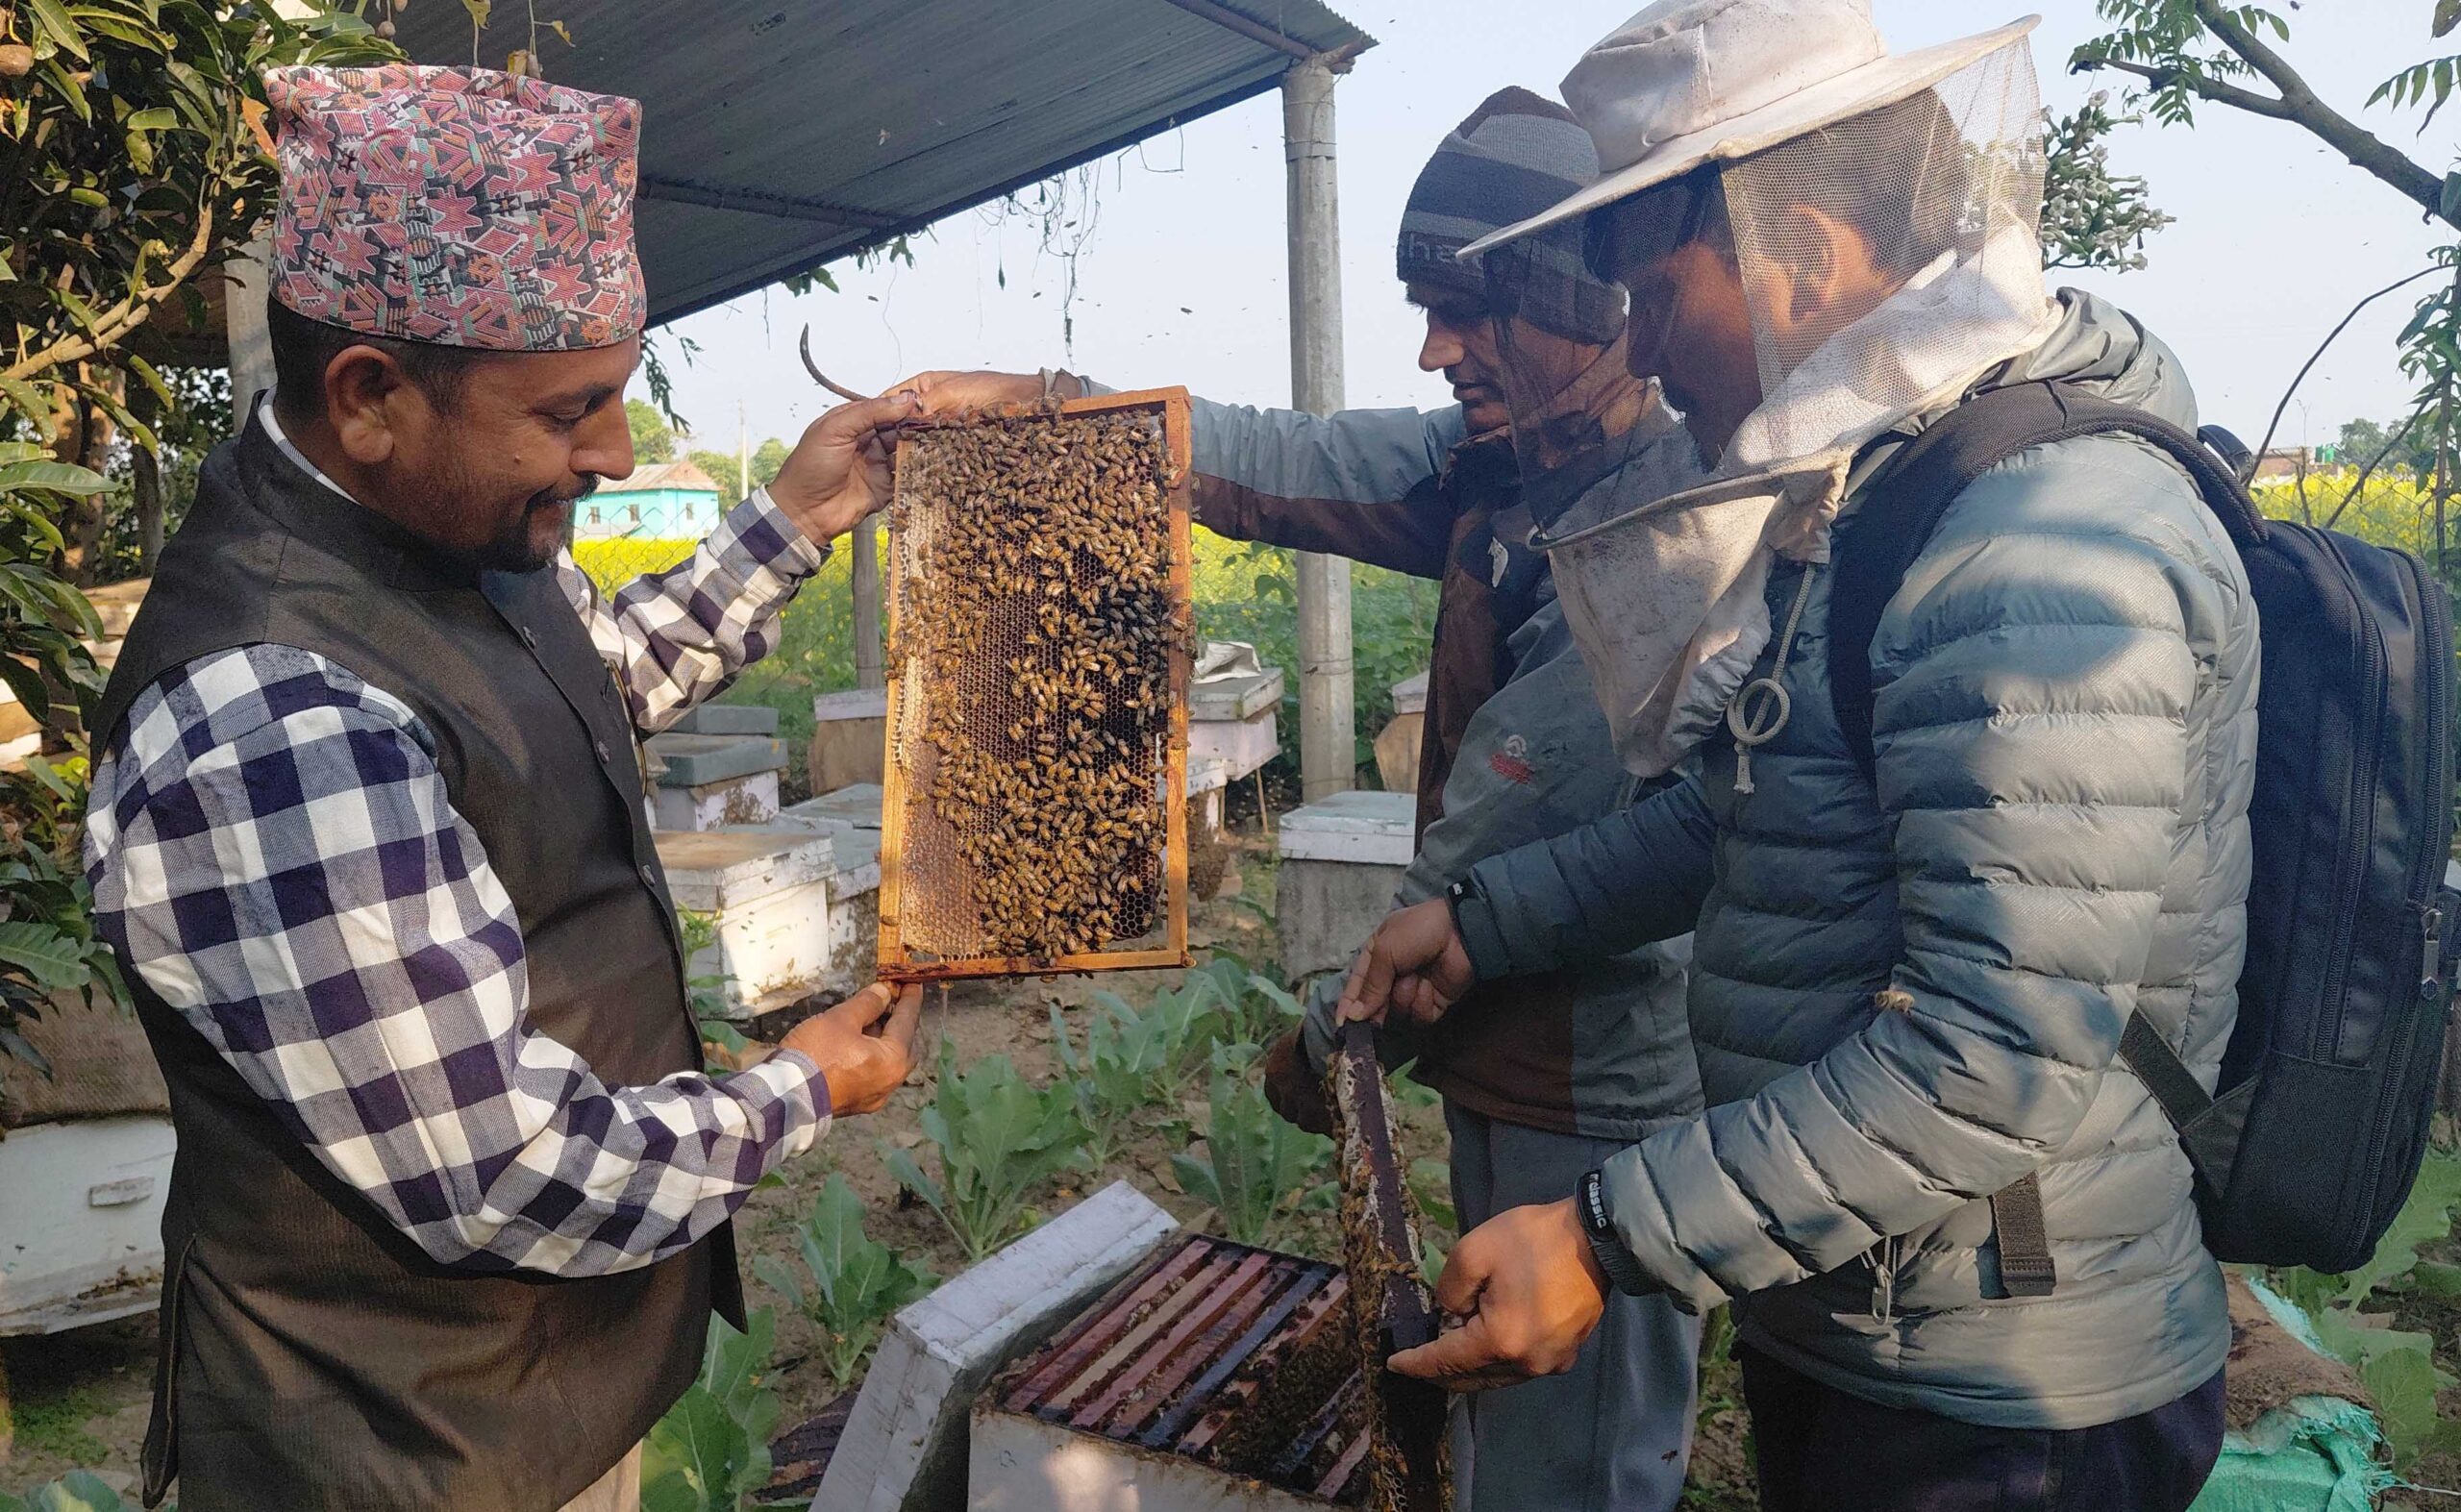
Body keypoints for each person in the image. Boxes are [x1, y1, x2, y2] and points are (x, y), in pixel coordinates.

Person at [1335, 4, 2258, 1511]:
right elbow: (1749, 812)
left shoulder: (2038, 538)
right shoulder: (1904, 488)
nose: (1642, 354)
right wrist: (1486, 920)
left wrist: (1606, 1234)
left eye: (1656, 297)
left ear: (1808, 254)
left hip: (2005, 1382)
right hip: (1875, 1306)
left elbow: (1993, 1051)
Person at [83, 65, 925, 1512]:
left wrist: (795, 518)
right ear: (370, 397)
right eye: (570, 410)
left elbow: (578, 689)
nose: (614, 453)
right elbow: (499, 1165)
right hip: (401, 1452)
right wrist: (799, 1092)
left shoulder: (440, 522)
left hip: (536, 1388)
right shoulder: (270, 721)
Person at [898, 88, 1706, 1511]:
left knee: (1573, 1456)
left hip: (1597, 1074)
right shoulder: (1510, 461)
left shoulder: (1657, 525)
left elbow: (1493, 835)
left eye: (1467, 312)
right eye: (1427, 312)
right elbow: (1290, 459)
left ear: (1587, 307)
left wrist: (1333, 1038)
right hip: (1509, 1042)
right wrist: (1053, 403)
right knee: (1512, 1414)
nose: (1435, 348)